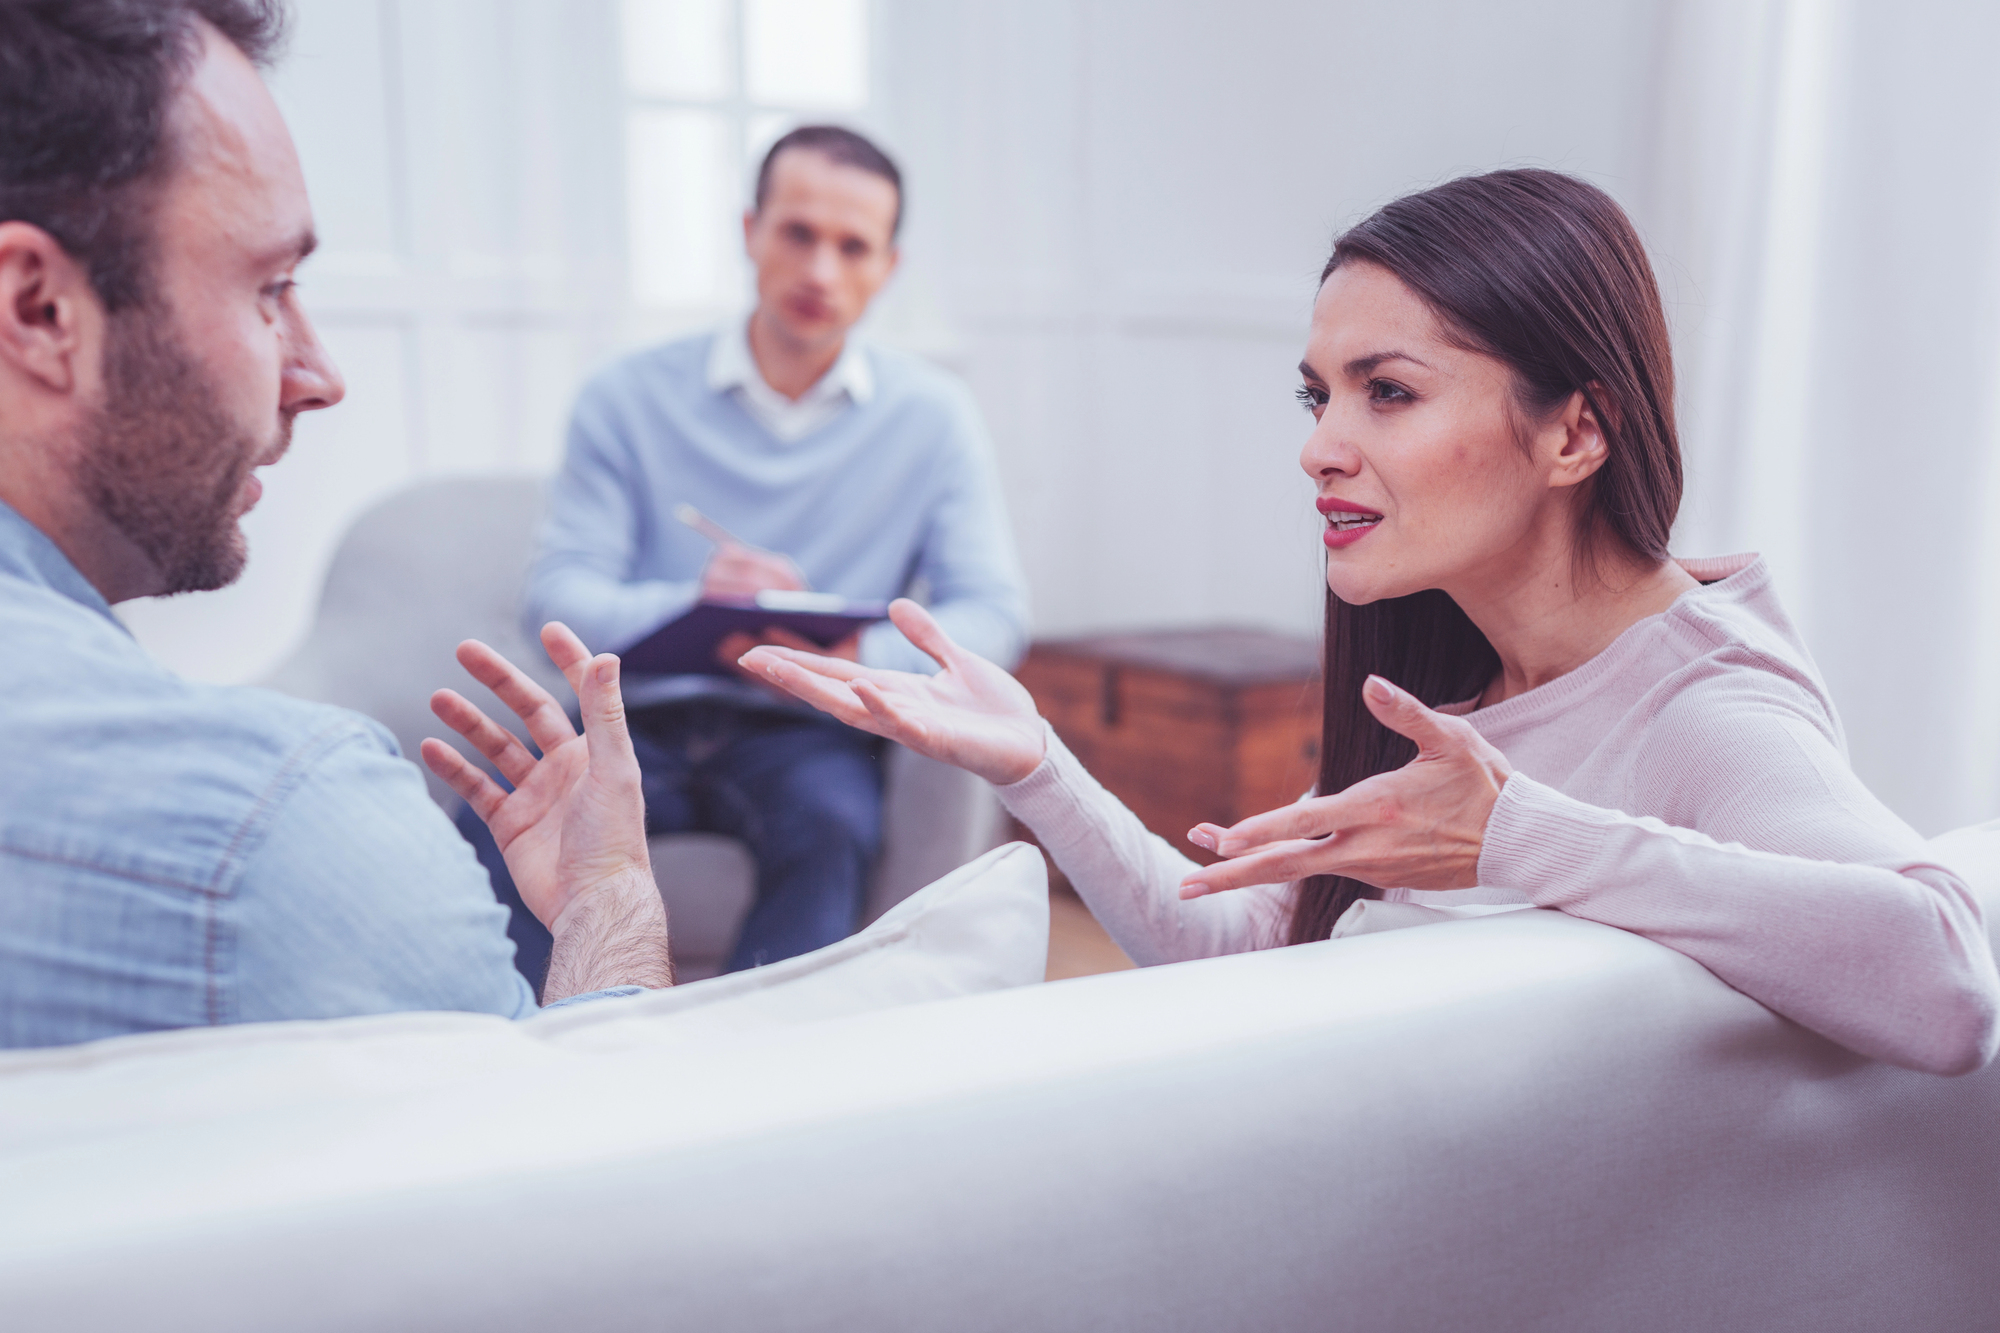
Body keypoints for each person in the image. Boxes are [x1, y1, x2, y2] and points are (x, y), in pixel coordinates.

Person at [745, 169, 2000, 1076]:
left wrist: (1515, 833)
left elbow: (1945, 975)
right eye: (1317, 394)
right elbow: (1248, 946)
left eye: (1384, 393)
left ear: (1574, 430)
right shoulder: (1454, 671)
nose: (1316, 449)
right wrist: (1036, 762)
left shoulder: (1705, 703)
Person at [0, 0, 669, 1050]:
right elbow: (613, 1185)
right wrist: (608, 896)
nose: (319, 376)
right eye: (268, 289)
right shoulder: (277, 834)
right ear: (38, 310)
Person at [472, 124, 1029, 985]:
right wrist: (701, 606)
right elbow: (557, 595)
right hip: (634, 718)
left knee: (832, 825)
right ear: (750, 232)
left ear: (888, 267)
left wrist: (851, 655)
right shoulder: (626, 395)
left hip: (805, 728)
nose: (820, 271)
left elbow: (994, 615)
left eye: (853, 247)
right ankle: (543, 1051)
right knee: (503, 812)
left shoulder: (934, 417)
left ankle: (758, 1075)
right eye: (798, 234)